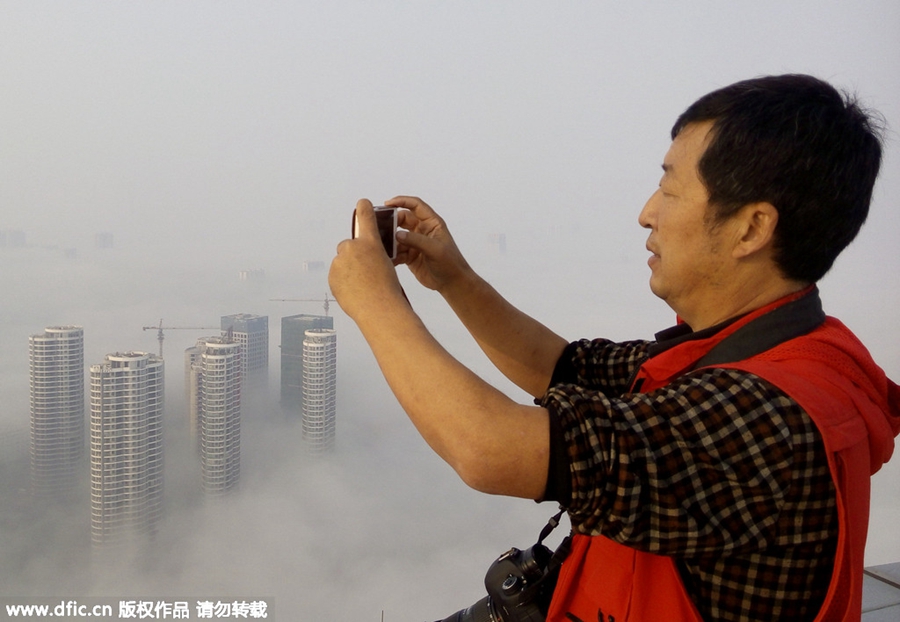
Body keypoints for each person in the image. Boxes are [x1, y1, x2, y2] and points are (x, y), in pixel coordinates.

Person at [328, 74, 900, 622]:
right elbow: (561, 367)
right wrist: (454, 278)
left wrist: (375, 303)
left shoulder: (768, 418)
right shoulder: (755, 351)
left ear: (751, 229)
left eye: (671, 188)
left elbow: (490, 449)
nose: (647, 213)